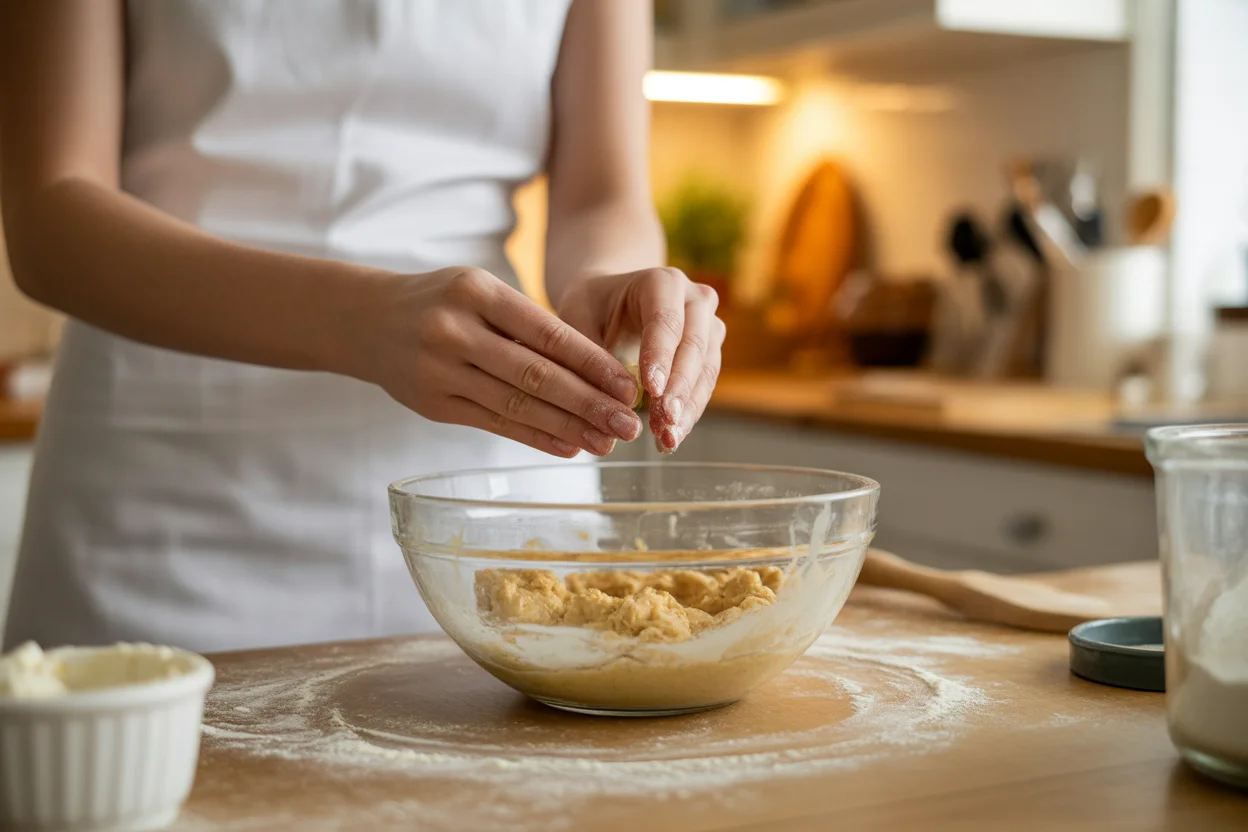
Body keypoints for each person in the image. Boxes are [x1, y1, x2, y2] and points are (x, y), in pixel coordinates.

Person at [0, 0, 724, 652]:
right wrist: (359, 323)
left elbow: (603, 193)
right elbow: (50, 216)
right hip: (163, 503)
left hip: (488, 497)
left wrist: (608, 283)